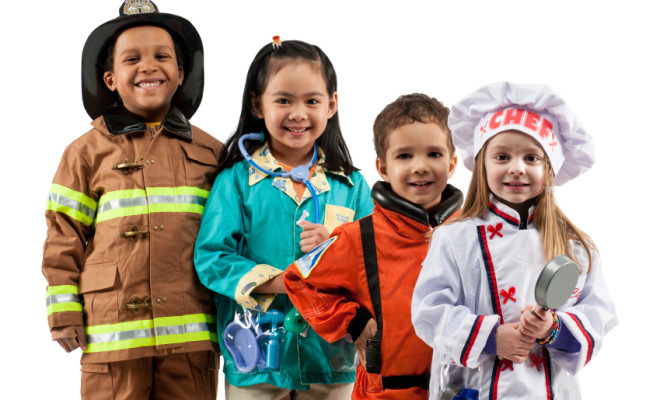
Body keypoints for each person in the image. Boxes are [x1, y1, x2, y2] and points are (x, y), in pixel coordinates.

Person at [42, 2, 222, 399]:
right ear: (110, 79)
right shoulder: (84, 153)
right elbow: (63, 235)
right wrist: (63, 310)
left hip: (192, 333)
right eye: (132, 59)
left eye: (162, 56)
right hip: (112, 334)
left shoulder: (212, 153)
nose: (148, 66)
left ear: (181, 74)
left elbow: (229, 236)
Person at [411, 82, 618, 400]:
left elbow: (598, 314)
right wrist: (492, 338)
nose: (517, 168)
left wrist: (552, 329)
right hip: (473, 388)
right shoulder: (453, 239)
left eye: (532, 158)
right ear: (482, 165)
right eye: (502, 156)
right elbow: (429, 311)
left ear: (549, 168)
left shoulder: (577, 247)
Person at [194, 38, 373, 399]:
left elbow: (375, 263)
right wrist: (284, 283)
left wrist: (336, 250)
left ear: (332, 104)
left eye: (312, 101)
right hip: (255, 351)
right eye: (283, 100)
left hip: (330, 356)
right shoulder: (235, 182)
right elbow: (212, 258)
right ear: (257, 104)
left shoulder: (352, 186)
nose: (298, 113)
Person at [283, 93, 464, 399]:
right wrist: (352, 322)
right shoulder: (358, 238)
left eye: (434, 154)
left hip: (463, 389)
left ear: (452, 162)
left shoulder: (474, 232)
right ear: (382, 167)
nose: (420, 166)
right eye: (404, 156)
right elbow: (299, 280)